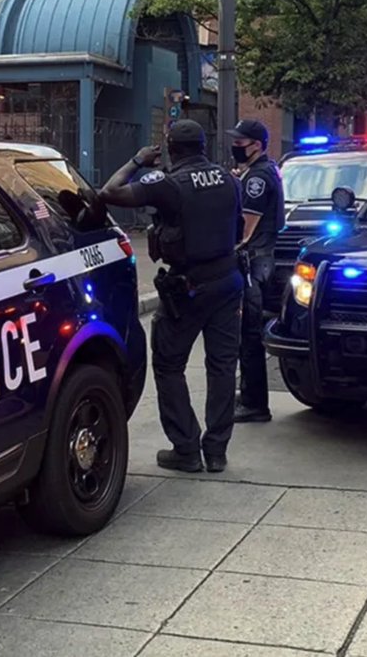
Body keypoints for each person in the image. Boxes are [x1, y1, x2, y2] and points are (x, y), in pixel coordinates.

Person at [99, 120, 244, 473]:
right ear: (203, 147)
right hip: (228, 281)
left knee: (168, 364)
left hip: (188, 287)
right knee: (223, 366)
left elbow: (109, 192)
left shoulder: (170, 184)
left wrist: (137, 160)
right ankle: (216, 451)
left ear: (171, 149)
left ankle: (186, 449)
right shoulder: (229, 179)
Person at [227, 119, 285, 423]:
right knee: (247, 333)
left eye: (240, 143)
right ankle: (250, 394)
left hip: (253, 261)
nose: (235, 147)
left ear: (257, 146)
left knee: (249, 334)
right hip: (262, 259)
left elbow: (245, 232)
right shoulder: (261, 170)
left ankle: (255, 404)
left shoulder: (257, 179)